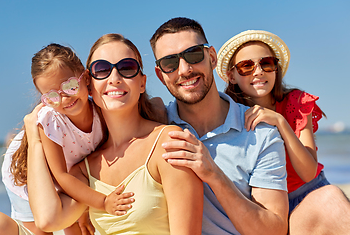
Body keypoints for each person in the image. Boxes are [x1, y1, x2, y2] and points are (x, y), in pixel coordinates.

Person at [24, 33, 203, 235]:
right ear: (89, 85)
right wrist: (34, 137)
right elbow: (48, 219)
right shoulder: (84, 170)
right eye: (102, 70)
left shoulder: (168, 143)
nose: (115, 78)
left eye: (127, 67)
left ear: (142, 83)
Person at [150, 17, 288, 235]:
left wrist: (214, 174)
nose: (184, 70)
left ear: (212, 57)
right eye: (170, 63)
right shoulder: (153, 125)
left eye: (193, 55)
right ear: (160, 75)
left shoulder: (261, 133)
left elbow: (274, 230)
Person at [216, 29, 350, 235]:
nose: (258, 71)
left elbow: (307, 173)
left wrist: (281, 122)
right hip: (270, 211)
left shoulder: (295, 102)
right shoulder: (229, 115)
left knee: (331, 198)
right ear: (231, 76)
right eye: (246, 66)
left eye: (266, 63)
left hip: (312, 194)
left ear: (275, 69)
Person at [0, 43, 135, 235]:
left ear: (85, 78)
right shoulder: (52, 122)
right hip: (27, 176)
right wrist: (101, 202)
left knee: (77, 224)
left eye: (70, 86)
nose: (64, 99)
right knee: (40, 230)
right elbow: (60, 176)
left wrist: (86, 205)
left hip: (70, 175)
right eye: (52, 96)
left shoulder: (102, 112)